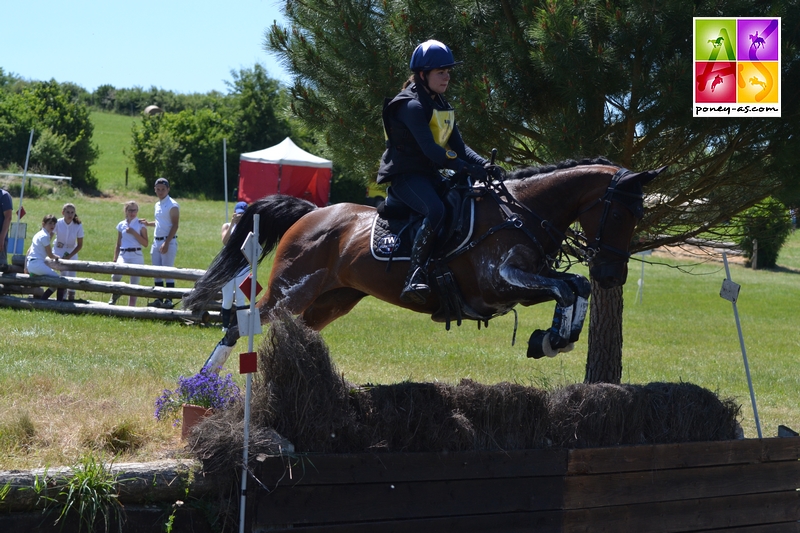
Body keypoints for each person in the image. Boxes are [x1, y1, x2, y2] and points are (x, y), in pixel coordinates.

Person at [377, 39, 501, 305]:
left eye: (448, 72)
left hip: (429, 176)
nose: (446, 77)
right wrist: (466, 167)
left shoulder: (441, 104)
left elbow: (459, 146)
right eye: (440, 72)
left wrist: (484, 166)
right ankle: (415, 274)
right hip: (405, 177)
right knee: (436, 210)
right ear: (423, 75)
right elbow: (432, 150)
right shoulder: (410, 106)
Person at [140, 177, 179, 308]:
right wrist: (148, 224)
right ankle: (158, 298)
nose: (160, 192)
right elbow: (160, 222)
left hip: (168, 241)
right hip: (156, 241)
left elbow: (174, 225)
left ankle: (169, 299)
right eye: (158, 189)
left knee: (167, 271)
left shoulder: (172, 205)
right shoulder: (157, 204)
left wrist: (167, 243)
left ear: (168, 189)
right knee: (156, 271)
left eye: (163, 189)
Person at [109, 201, 149, 306]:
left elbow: (145, 243)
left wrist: (134, 232)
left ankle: (131, 307)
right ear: (126, 211)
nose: (132, 213)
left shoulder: (141, 225)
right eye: (130, 210)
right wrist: (115, 258)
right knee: (115, 275)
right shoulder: (121, 224)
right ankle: (115, 294)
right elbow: (118, 243)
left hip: (136, 254)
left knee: (134, 283)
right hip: (123, 254)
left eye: (135, 210)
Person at [220, 201, 250, 332]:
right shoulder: (227, 226)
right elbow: (225, 242)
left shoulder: (249, 228)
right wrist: (233, 223)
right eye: (238, 214)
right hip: (228, 265)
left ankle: (241, 326)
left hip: (243, 265)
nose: (239, 217)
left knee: (241, 298)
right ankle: (225, 327)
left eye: (242, 215)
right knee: (227, 298)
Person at [52, 203, 84, 301]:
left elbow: (80, 245)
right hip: (59, 249)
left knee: (72, 274)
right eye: (68, 212)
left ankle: (71, 297)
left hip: (71, 250)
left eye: (72, 212)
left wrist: (70, 256)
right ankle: (61, 297)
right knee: (63, 274)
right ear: (63, 213)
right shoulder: (58, 223)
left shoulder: (78, 225)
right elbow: (50, 235)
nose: (70, 215)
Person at [25, 214, 61, 299]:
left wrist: (25, 266)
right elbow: (50, 255)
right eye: (50, 223)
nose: (52, 226)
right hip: (37, 264)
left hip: (31, 264)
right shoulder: (45, 236)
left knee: (54, 281)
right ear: (43, 224)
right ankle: (56, 302)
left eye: (54, 224)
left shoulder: (38, 234)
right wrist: (57, 257)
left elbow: (28, 251)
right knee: (59, 280)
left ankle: (42, 299)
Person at [0, 187, 12, 272]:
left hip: (1, 237)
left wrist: (1, 239)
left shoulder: (4, 196)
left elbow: (8, 217)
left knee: (1, 266)